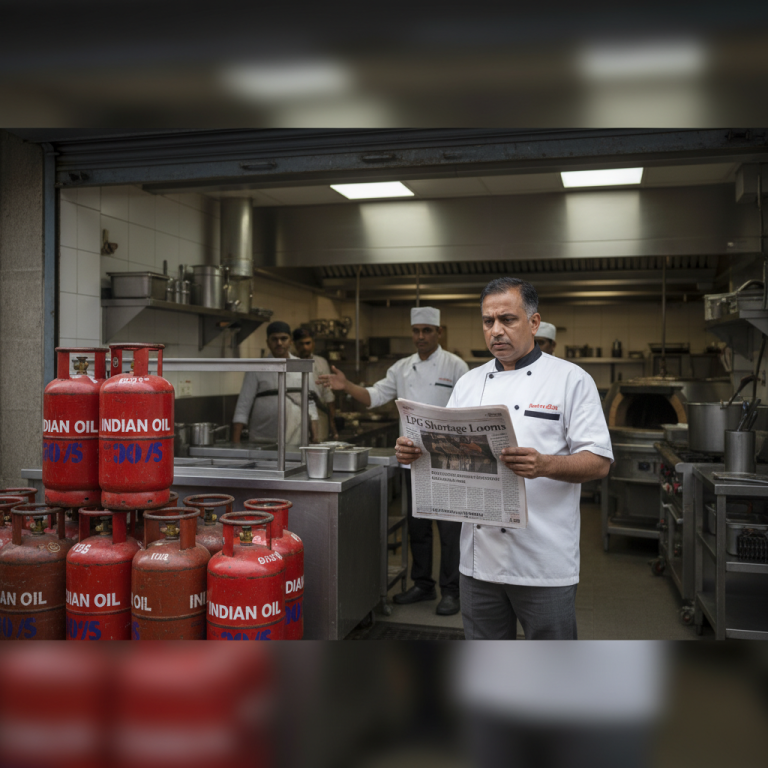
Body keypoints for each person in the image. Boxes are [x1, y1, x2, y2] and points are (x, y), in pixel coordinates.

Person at [394, 278, 613, 639]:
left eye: (507, 319)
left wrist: (546, 465)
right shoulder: (469, 383)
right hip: (478, 562)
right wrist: (415, 452)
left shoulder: (571, 380)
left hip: (543, 560)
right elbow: (445, 451)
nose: (496, 330)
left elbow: (599, 462)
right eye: (487, 321)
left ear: (534, 322)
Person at [317, 307, 469, 616]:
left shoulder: (456, 365)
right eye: (416, 331)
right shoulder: (401, 368)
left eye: (427, 330)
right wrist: (346, 387)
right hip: (413, 461)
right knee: (419, 528)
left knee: (451, 531)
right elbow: (373, 396)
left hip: (449, 462)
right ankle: (424, 584)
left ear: (438, 333)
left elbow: (467, 410)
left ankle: (452, 591)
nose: (421, 336)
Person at [232, 321, 317, 445]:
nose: (279, 343)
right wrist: (235, 445)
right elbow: (243, 407)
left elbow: (310, 403)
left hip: (297, 438)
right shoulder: (257, 368)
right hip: (263, 439)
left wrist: (314, 436)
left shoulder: (302, 366)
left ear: (291, 341)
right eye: (274, 339)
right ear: (267, 342)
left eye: (283, 338)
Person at [293, 327, 339, 442]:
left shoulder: (321, 362)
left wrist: (333, 427)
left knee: (318, 449)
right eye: (301, 344)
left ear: (313, 343)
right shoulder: (290, 363)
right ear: (294, 344)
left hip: (319, 411)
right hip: (295, 413)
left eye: (308, 343)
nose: (305, 347)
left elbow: (328, 393)